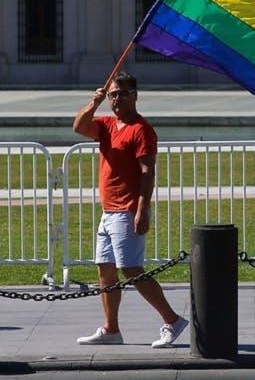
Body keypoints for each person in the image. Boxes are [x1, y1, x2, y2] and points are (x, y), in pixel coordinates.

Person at [73, 71, 188, 348]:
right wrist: (94, 102)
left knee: (131, 269)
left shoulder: (141, 129)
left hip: (127, 209)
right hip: (108, 210)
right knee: (106, 269)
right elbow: (79, 127)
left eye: (122, 94)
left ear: (134, 96)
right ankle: (111, 328)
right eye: (113, 94)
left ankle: (172, 321)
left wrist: (142, 209)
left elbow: (147, 171)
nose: (116, 99)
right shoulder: (107, 125)